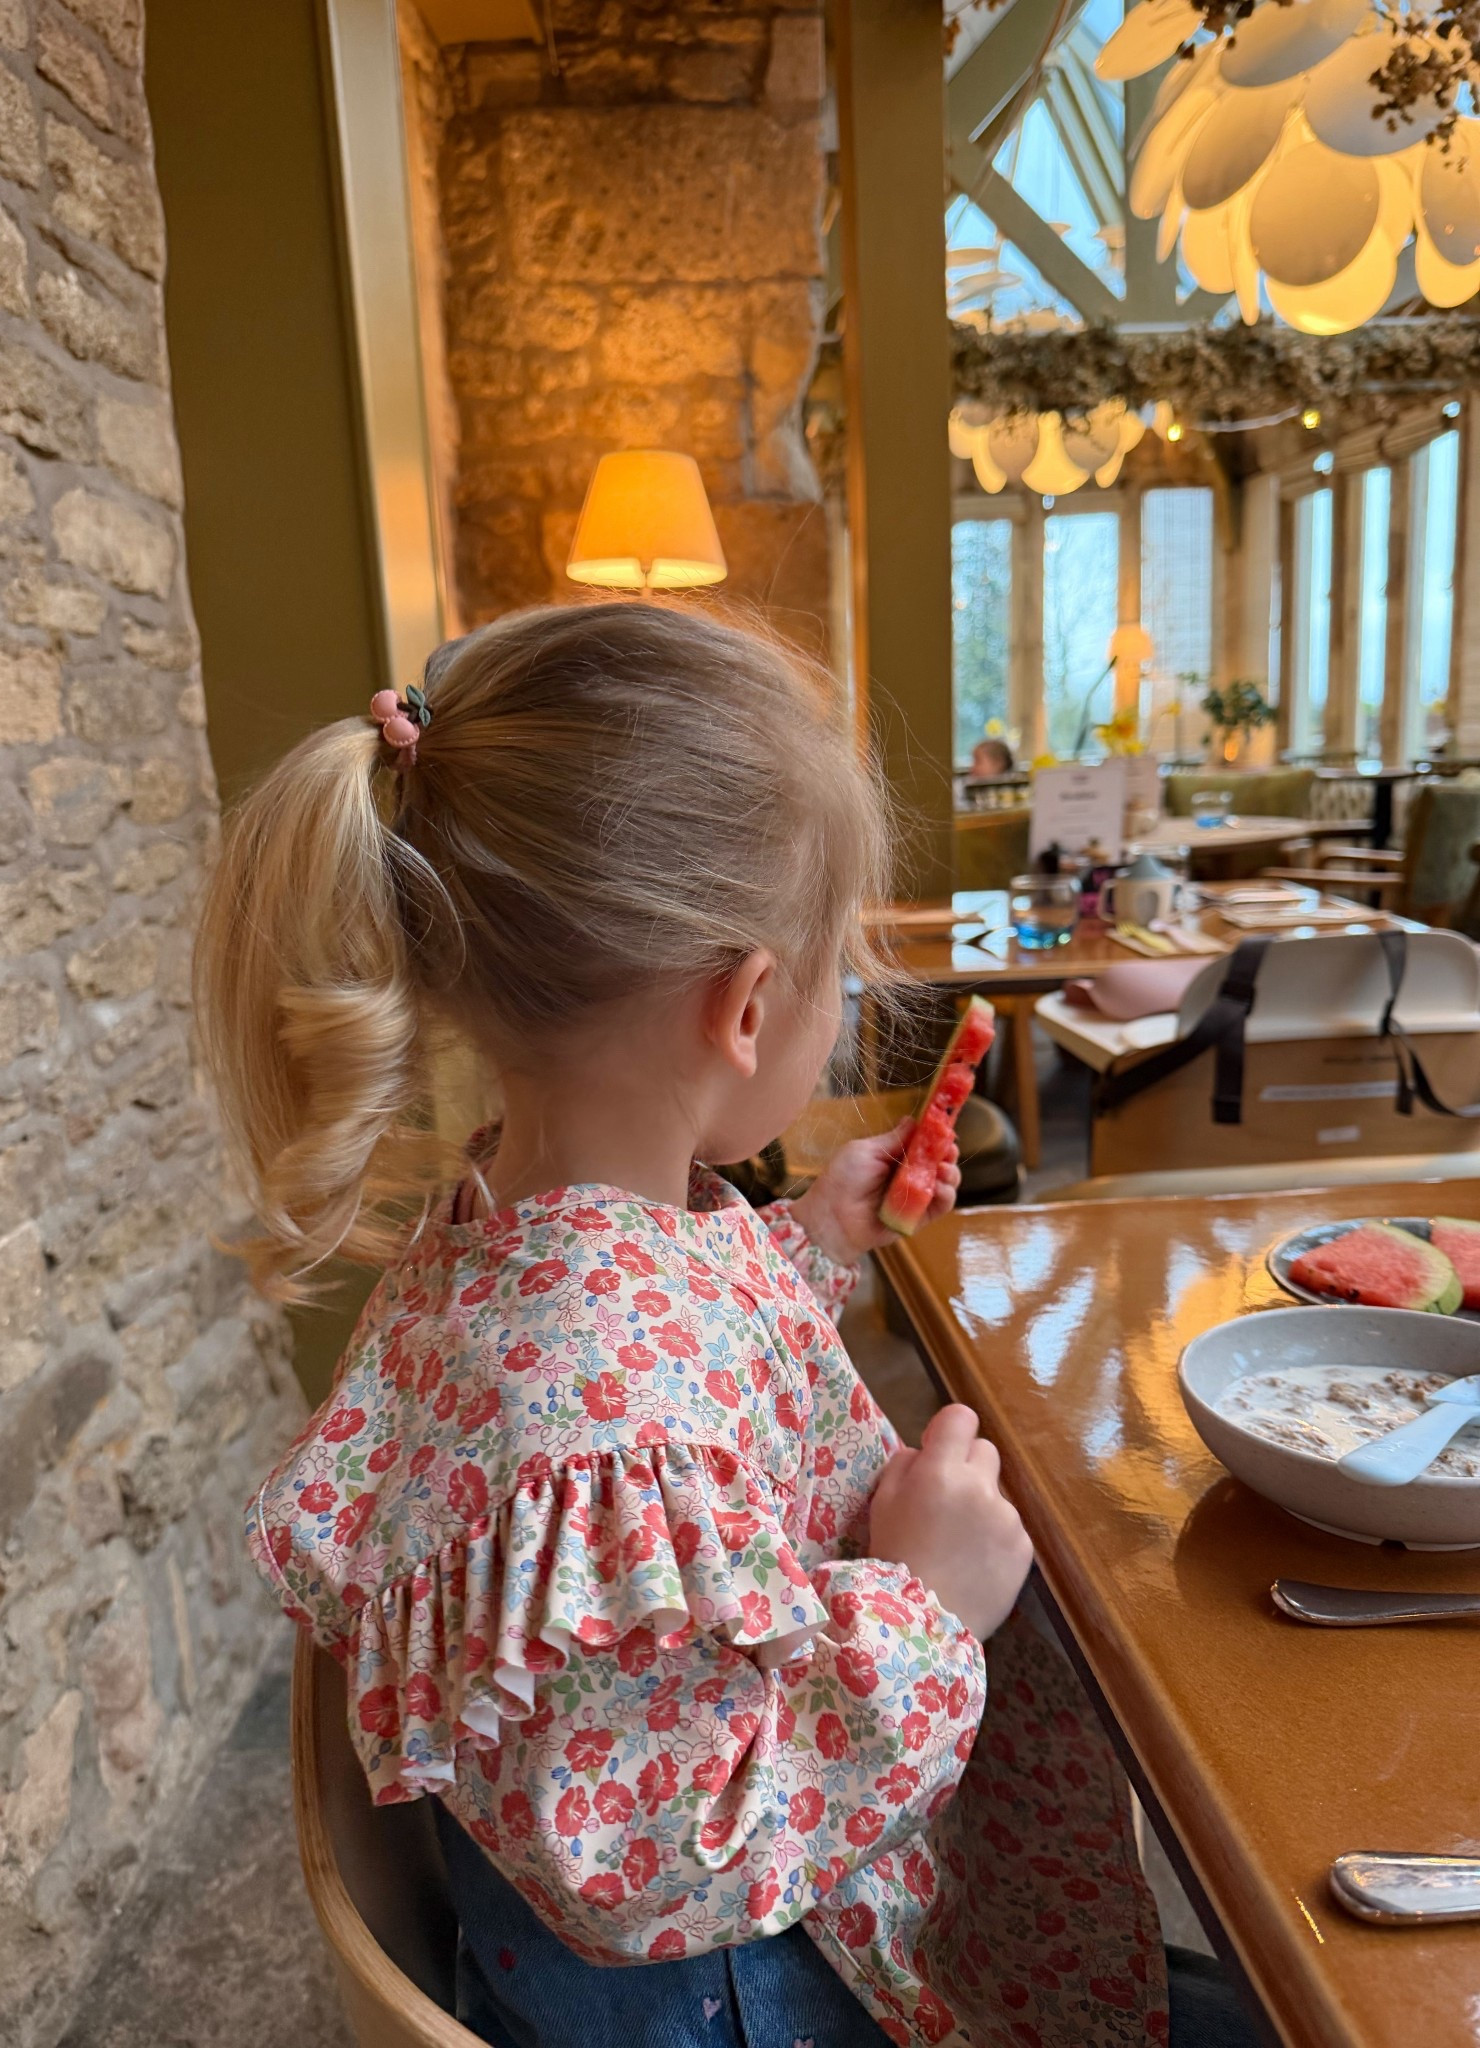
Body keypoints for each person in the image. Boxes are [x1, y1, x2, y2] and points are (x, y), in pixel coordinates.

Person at [197, 604, 1258, 2048]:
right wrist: (927, 1603)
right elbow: (674, 1854)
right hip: (753, 1990)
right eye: (841, 972)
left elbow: (666, 1348)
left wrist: (811, 1236)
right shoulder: (598, 1432)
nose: (846, 1004)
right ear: (750, 1009)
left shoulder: (503, 1232)